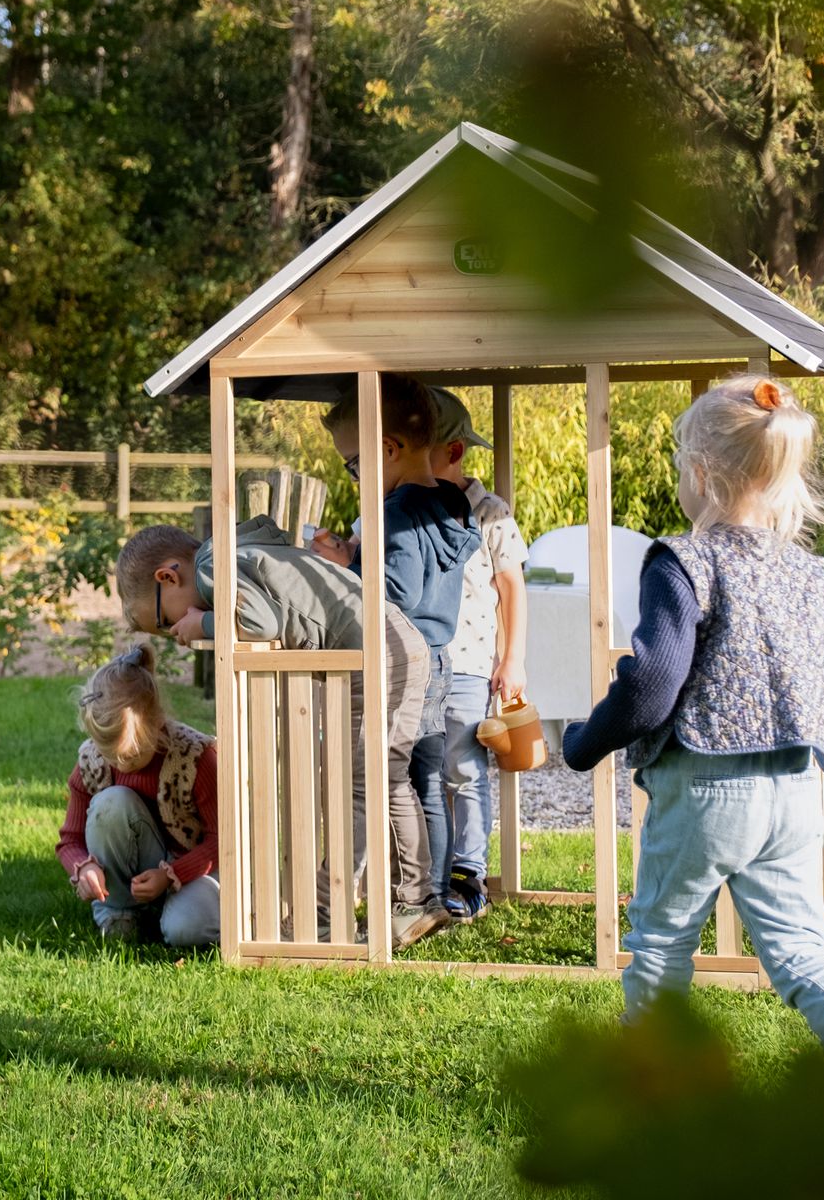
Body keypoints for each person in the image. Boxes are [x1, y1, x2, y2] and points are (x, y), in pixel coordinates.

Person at [561, 375, 824, 1151]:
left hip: (705, 789)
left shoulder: (683, 561)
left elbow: (654, 684)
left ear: (700, 473)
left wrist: (586, 741)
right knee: (798, 946)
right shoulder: (806, 571)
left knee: (662, 943)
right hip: (797, 787)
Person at [115, 516, 446, 949]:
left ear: (168, 575)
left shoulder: (214, 569)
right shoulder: (232, 556)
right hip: (397, 643)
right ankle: (410, 899)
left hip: (376, 656)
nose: (172, 632)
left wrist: (205, 624)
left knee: (360, 787)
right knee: (384, 779)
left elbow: (260, 622)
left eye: (162, 620)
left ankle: (332, 912)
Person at [309, 374, 481, 912]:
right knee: (424, 777)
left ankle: (416, 895)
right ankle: (428, 892)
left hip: (405, 663)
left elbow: (396, 591)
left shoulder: (398, 512)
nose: (355, 477)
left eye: (354, 465)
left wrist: (346, 564)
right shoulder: (448, 503)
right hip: (437, 657)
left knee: (393, 776)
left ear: (389, 449)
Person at [425, 386, 529, 920]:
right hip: (417, 666)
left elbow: (512, 587)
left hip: (468, 663)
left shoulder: (489, 513)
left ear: (453, 453)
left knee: (463, 770)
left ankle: (468, 874)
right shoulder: (402, 507)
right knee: (424, 771)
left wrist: (512, 661)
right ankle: (430, 874)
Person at [57, 644, 221, 946]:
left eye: (130, 754)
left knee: (187, 930)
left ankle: (171, 915)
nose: (120, 764)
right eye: (110, 754)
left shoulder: (195, 757)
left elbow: (222, 839)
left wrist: (172, 875)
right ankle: (119, 912)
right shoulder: (92, 761)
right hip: (138, 868)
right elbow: (70, 840)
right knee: (110, 803)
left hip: (195, 869)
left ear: (157, 723)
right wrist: (84, 868)